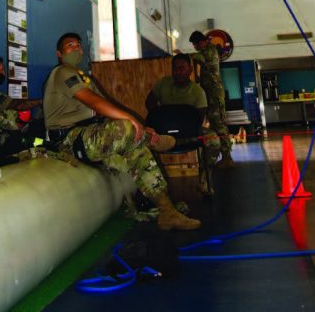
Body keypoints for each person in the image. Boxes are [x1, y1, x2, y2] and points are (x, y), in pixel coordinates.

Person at [43, 32, 201, 231]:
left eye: (78, 45)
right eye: (70, 45)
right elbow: (94, 102)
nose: (76, 48)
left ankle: (166, 210)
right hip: (67, 139)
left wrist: (139, 127)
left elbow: (106, 105)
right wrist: (132, 121)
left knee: (137, 148)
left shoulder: (83, 77)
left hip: (89, 134)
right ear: (59, 53)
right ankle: (154, 140)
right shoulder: (62, 72)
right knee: (127, 127)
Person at [145, 52, 221, 195]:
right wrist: (160, 121)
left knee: (214, 140)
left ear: (190, 70)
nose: (177, 72)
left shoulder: (198, 92)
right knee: (144, 140)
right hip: (164, 135)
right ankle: (157, 187)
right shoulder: (163, 84)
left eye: (181, 68)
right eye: (175, 68)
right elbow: (149, 103)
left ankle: (204, 181)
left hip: (189, 135)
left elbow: (199, 120)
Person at [0, 55, 43, 159]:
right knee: (38, 143)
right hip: (2, 140)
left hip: (12, 136)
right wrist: (41, 101)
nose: (0, 71)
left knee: (39, 135)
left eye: (2, 69)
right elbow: (18, 105)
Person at [189, 31, 233, 167]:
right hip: (210, 93)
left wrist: (184, 55)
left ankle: (227, 157)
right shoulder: (207, 50)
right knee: (215, 124)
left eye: (195, 45)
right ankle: (224, 156)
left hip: (214, 93)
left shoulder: (210, 50)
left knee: (219, 124)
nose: (195, 48)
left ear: (201, 42)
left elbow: (198, 58)